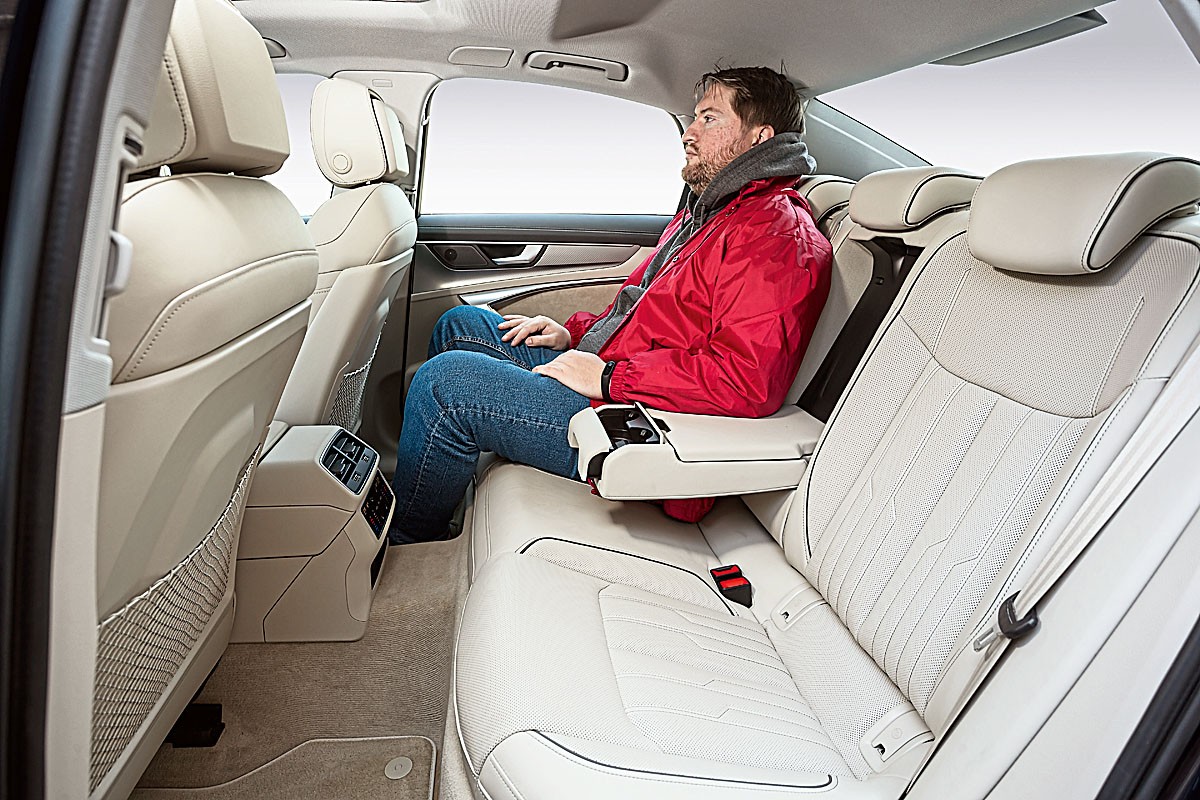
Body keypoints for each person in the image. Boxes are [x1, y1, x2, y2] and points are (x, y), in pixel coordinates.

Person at [388, 66, 833, 545]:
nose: (689, 134)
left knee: (444, 386)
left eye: (709, 119)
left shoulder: (775, 234)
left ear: (759, 137)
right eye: (693, 119)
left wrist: (606, 378)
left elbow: (746, 380)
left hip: (647, 421)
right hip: (623, 380)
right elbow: (641, 311)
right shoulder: (712, 212)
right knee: (460, 324)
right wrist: (573, 334)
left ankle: (407, 547)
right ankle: (445, 489)